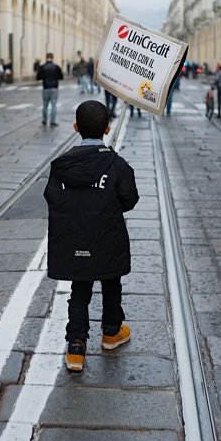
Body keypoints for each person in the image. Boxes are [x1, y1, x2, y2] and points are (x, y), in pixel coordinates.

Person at [43, 100, 139, 372]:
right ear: (108, 129)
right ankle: (111, 332)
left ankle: (76, 347)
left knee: (80, 289)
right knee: (111, 283)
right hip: (107, 237)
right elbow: (129, 199)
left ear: (76, 127)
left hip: (75, 238)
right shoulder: (116, 164)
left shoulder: (60, 166)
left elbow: (52, 197)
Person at [36, 52, 63, 127]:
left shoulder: (42, 67)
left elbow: (38, 77)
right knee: (54, 105)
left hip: (46, 87)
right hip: (54, 87)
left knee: (45, 105)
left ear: (46, 58)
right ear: (52, 58)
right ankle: (52, 121)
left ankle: (44, 120)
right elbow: (61, 77)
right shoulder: (56, 67)